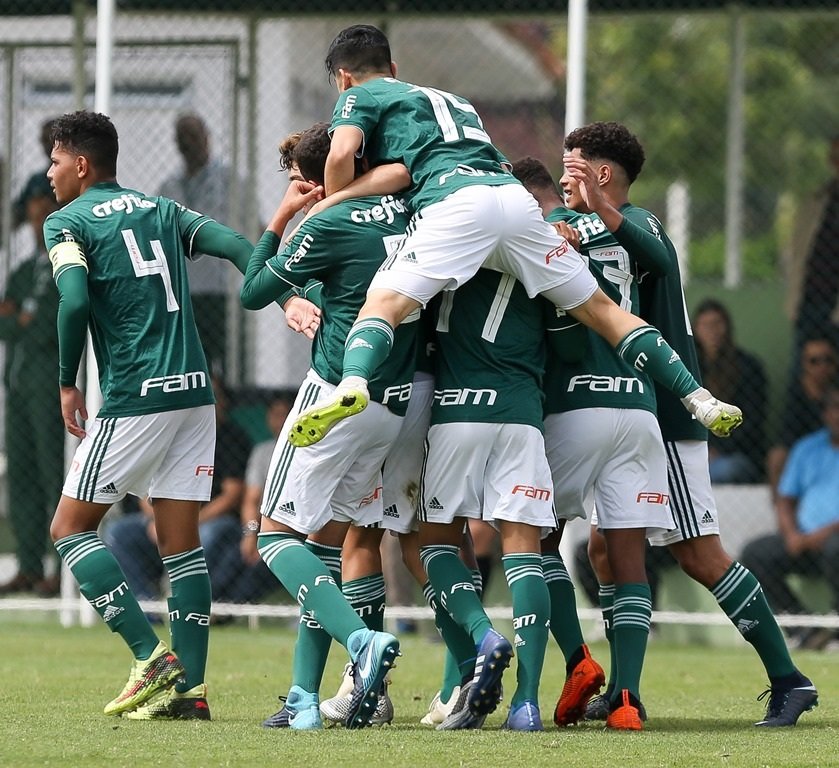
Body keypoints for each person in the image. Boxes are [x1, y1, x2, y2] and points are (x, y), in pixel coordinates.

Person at [287, 24, 742, 449]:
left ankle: (351, 385)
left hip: (457, 205)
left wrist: (333, 200)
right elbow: (404, 168)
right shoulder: (454, 102)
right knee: (601, 311)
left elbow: (343, 152)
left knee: (383, 303)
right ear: (395, 68)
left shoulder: (358, 97)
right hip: (513, 200)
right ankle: (698, 395)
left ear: (345, 78)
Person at [544, 122, 816, 728]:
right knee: (605, 552)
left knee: (699, 554)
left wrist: (593, 215)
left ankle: (789, 678)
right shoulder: (601, 231)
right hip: (635, 410)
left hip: (665, 415)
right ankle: (621, 693)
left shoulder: (640, 224)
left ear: (601, 174)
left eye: (572, 168)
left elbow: (658, 255)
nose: (564, 179)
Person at [44, 110, 253, 720]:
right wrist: (287, 292)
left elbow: (76, 298)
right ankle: (191, 693)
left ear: (81, 165)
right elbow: (236, 245)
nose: (50, 172)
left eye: (55, 161)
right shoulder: (161, 209)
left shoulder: (68, 221)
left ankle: (147, 654)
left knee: (69, 528)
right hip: (195, 396)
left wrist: (66, 383)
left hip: (138, 397)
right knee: (180, 547)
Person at [240, 122, 415, 730]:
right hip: (392, 400)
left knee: (273, 537)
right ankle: (303, 700)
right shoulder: (411, 212)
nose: (293, 189)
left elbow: (253, 288)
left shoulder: (324, 222)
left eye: (295, 180)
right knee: (323, 549)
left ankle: (362, 644)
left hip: (335, 393)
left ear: (316, 182)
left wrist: (281, 217)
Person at [514, 151, 669, 731]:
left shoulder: (546, 232)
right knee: (627, 560)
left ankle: (579, 661)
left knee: (532, 539)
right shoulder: (626, 228)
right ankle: (627, 700)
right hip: (639, 407)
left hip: (576, 404)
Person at [105, 376, 251, 608]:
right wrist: (158, 520)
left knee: (211, 536)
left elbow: (232, 494)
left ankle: (191, 605)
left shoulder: (231, 437)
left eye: (213, 395)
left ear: (223, 402)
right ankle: (147, 606)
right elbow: (142, 486)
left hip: (208, 521)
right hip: (162, 519)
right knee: (118, 532)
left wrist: (188, 523)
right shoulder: (166, 431)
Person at [741, 385, 839, 651]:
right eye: (833, 408)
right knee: (756, 553)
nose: (837, 414)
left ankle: (837, 630)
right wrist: (792, 534)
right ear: (825, 413)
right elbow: (785, 498)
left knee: (836, 548)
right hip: (803, 539)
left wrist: (821, 534)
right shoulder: (808, 448)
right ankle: (802, 628)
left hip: (832, 541)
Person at [0, 188, 63, 597]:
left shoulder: (67, 267)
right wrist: (20, 319)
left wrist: (23, 319)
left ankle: (62, 568)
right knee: (21, 475)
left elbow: (46, 329)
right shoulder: (23, 269)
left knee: (53, 474)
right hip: (18, 386)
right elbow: (6, 323)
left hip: (48, 386)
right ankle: (28, 564)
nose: (38, 222)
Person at [159, 113, 247, 376]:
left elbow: (255, 223)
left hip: (223, 290)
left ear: (206, 138)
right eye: (184, 139)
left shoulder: (229, 181)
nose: (190, 145)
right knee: (193, 363)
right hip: (185, 291)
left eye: (194, 137)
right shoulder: (169, 186)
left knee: (230, 364)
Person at [214, 391, 293, 606]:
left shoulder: (309, 451)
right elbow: (251, 499)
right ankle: (209, 606)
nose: (280, 420)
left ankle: (228, 612)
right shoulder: (262, 452)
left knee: (259, 570)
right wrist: (250, 534)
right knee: (233, 557)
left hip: (293, 533)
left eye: (285, 414)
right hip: (263, 529)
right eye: (275, 414)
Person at [692, 298, 768, 483]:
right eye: (705, 325)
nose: (712, 331)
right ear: (695, 329)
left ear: (727, 327)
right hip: (695, 451)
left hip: (735, 456)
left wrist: (719, 449)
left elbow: (752, 422)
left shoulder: (748, 367)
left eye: (717, 324)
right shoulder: (690, 368)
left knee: (725, 470)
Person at [784, 134, 839, 352]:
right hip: (810, 301)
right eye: (834, 156)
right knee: (803, 368)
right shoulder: (817, 201)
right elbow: (797, 252)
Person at [766, 337, 839, 496]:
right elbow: (788, 434)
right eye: (814, 361)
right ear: (804, 365)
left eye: (828, 360)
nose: (822, 367)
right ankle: (783, 511)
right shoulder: (798, 392)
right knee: (777, 456)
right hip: (807, 449)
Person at [12, 117, 57, 229]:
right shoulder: (37, 181)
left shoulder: (73, 178)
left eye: (50, 141)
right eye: (44, 141)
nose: (47, 146)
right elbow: (17, 213)